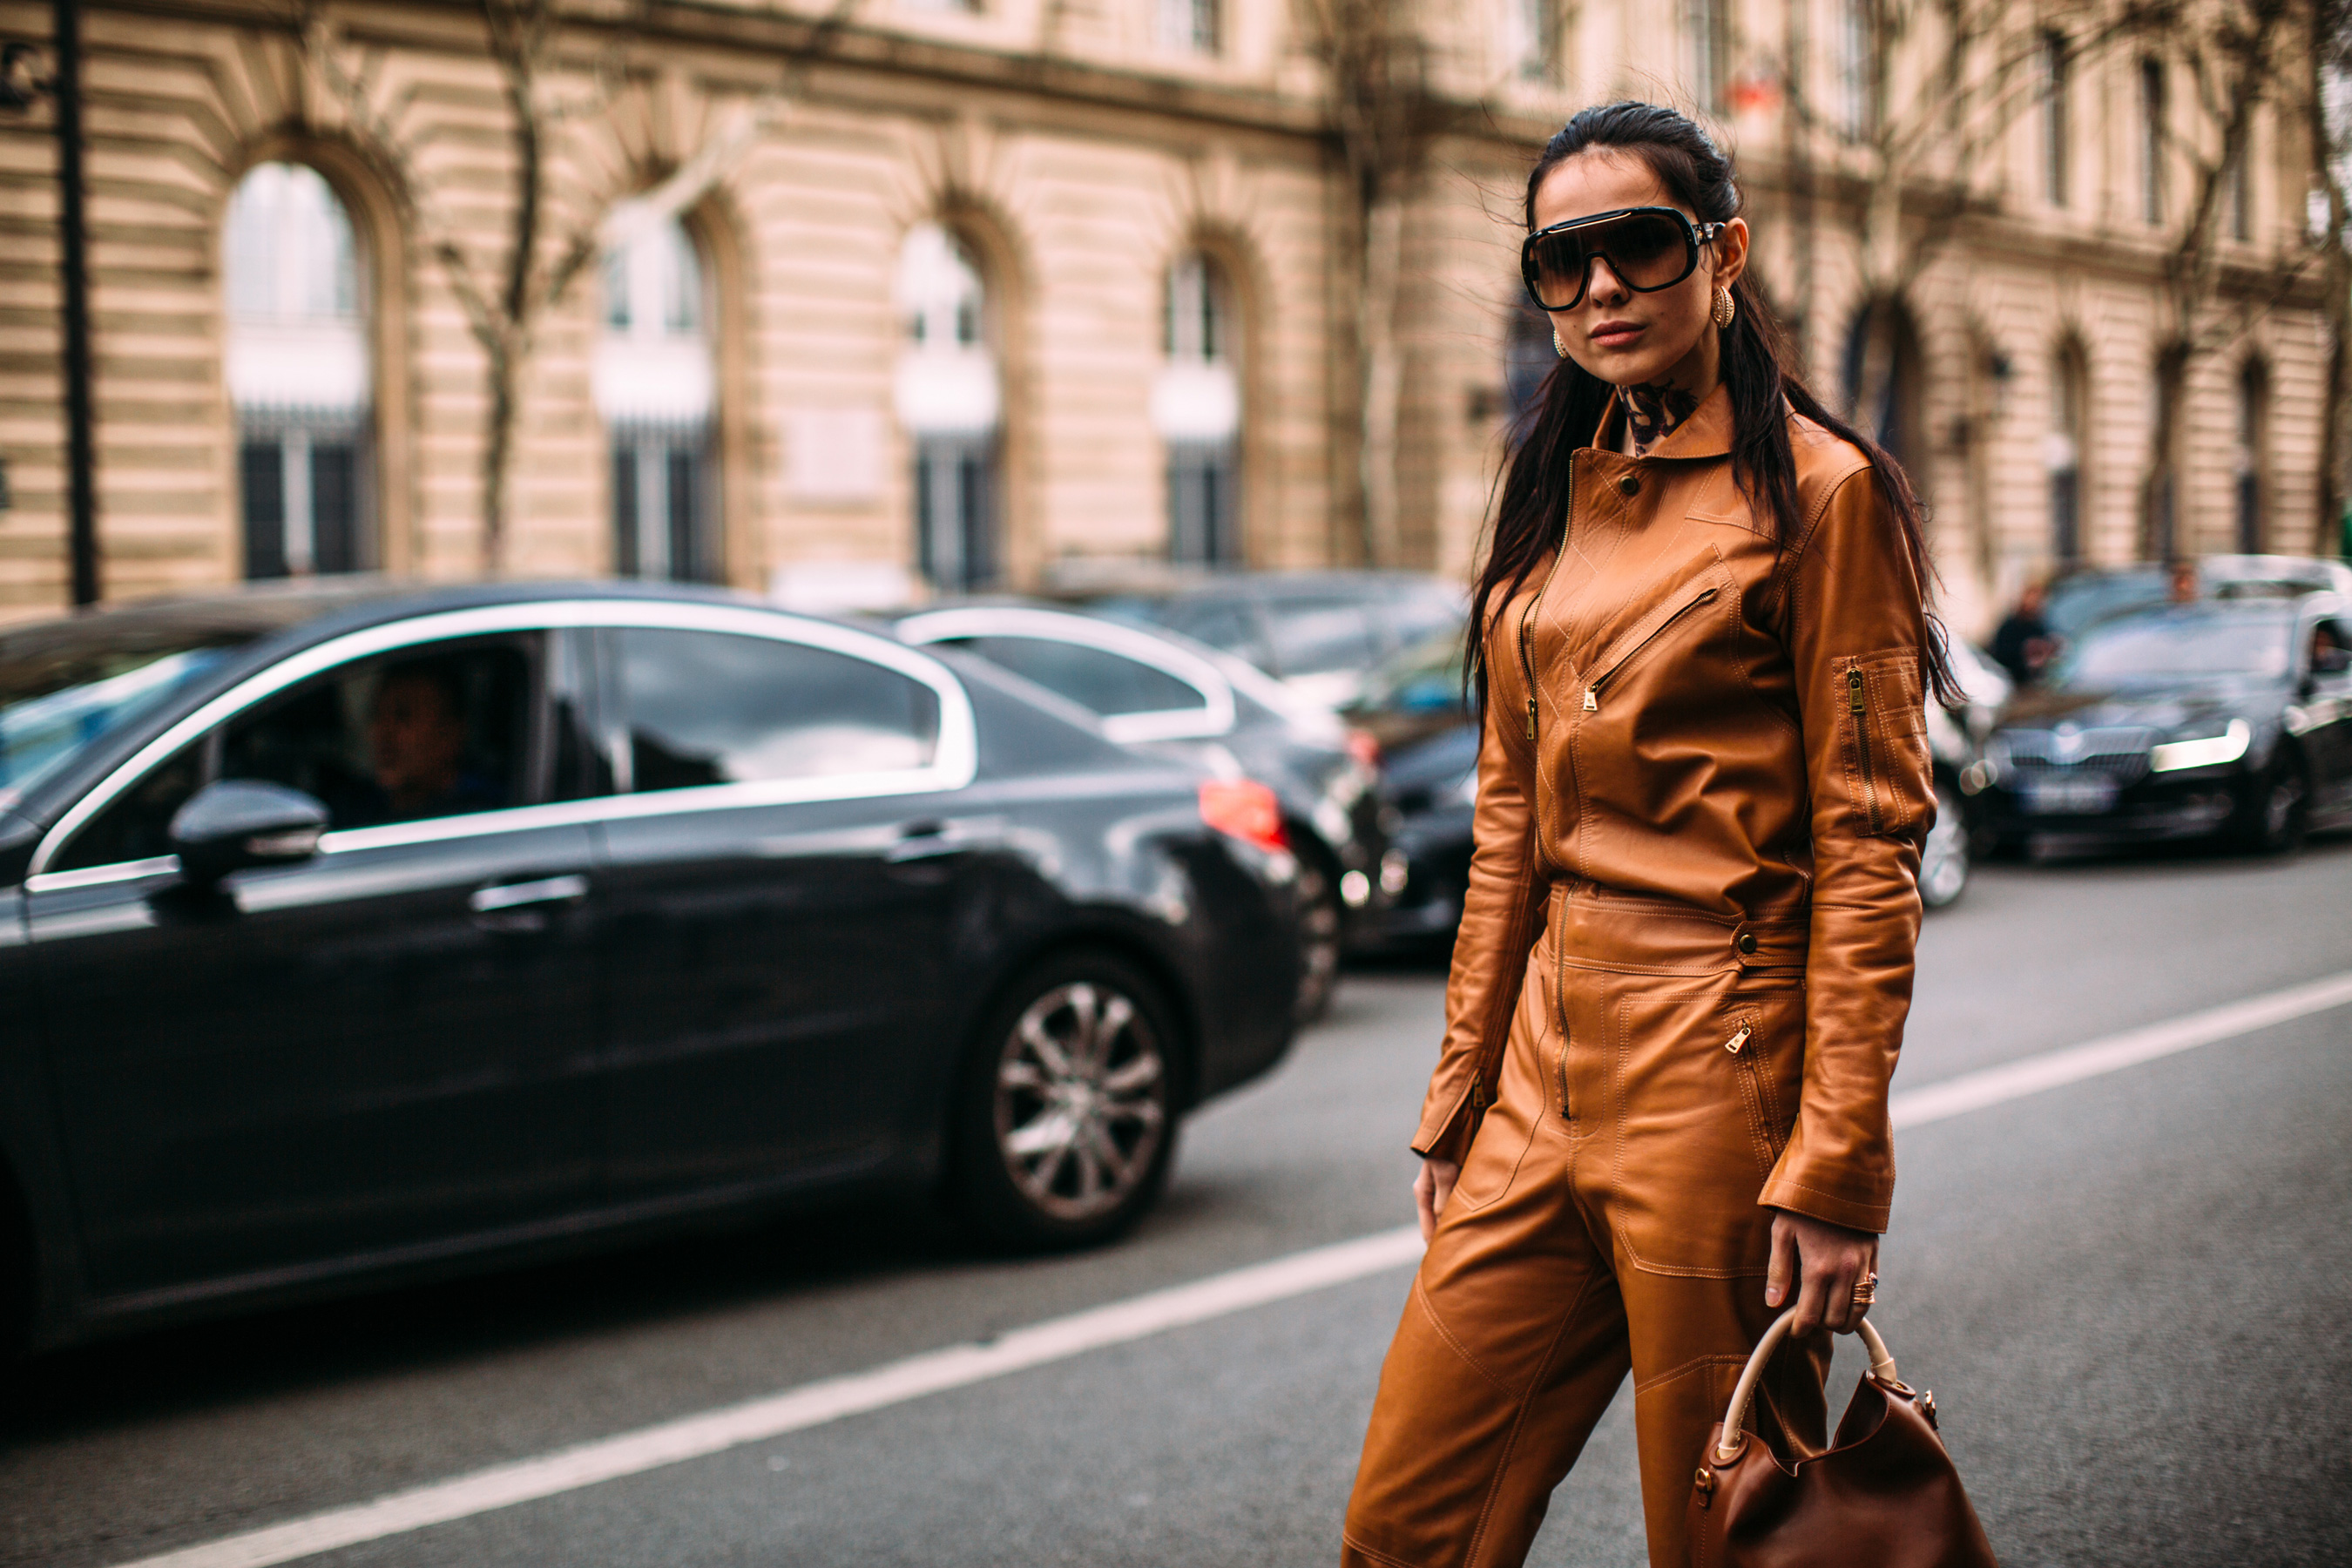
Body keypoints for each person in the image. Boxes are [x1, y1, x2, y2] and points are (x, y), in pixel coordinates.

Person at [1342, 102, 1948, 1568]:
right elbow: (1507, 829)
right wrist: (1462, 1094)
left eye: (1638, 244)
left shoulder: (1823, 496)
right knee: (1406, 1527)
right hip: (1541, 1075)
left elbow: (1873, 849)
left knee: (1728, 1535)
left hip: (1716, 1071)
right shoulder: (1549, 491)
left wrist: (1835, 1167)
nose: (1602, 286)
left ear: (1720, 254)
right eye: (1564, 260)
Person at [362, 657, 504, 821]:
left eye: (403, 716)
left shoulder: (483, 815)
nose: (382, 732)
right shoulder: (362, 805)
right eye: (377, 715)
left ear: (450, 733)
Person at [1990, 578, 2054, 686]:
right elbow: (2000, 652)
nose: (2036, 603)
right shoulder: (2010, 626)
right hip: (2011, 681)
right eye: (2033, 599)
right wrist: (2023, 650)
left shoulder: (2039, 626)